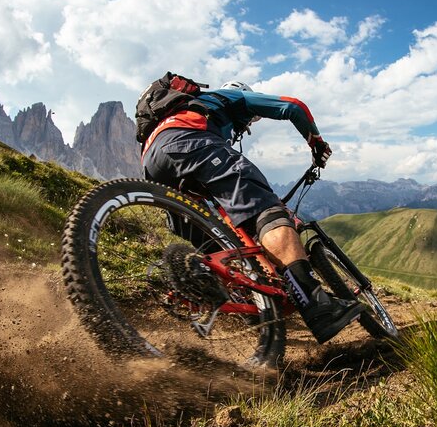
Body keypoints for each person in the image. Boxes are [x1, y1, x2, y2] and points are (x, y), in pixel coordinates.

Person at [140, 80, 365, 343]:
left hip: (151, 162)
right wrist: (316, 143)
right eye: (252, 120)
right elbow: (293, 106)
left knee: (214, 243)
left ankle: (243, 301)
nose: (248, 124)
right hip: (188, 140)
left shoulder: (180, 109)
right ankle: (316, 305)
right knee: (265, 212)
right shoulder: (231, 97)